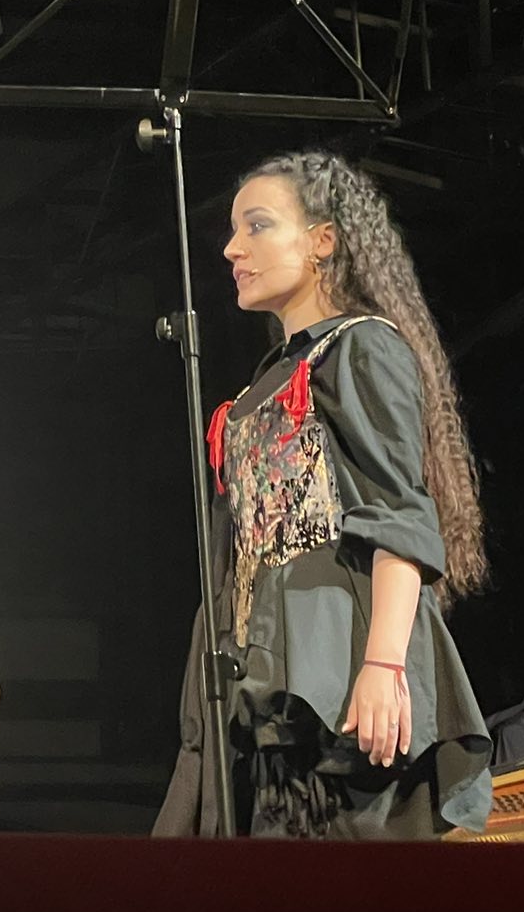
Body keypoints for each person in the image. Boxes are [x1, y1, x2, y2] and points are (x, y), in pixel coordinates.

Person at [154, 150, 492, 839]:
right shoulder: (274, 374)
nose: (232, 249)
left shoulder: (361, 348)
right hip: (266, 683)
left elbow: (399, 515)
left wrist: (384, 666)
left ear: (323, 241)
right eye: (234, 230)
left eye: (257, 226)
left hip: (339, 680)